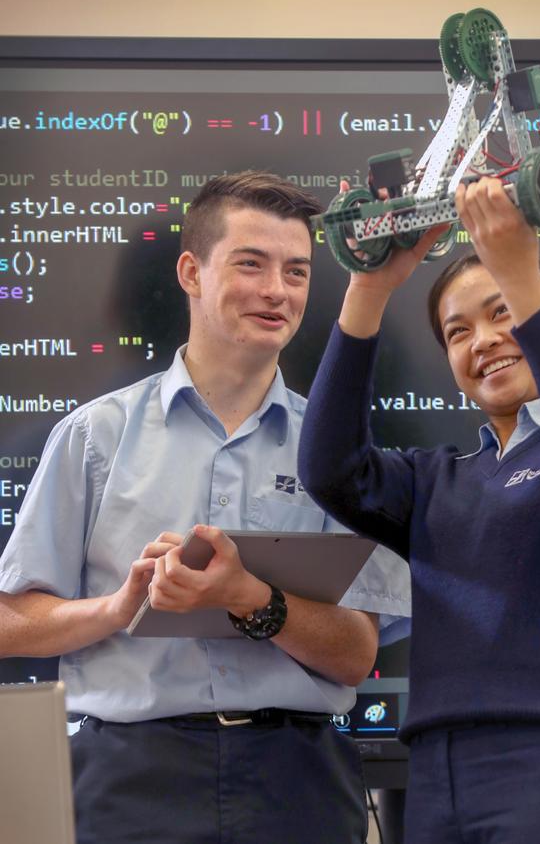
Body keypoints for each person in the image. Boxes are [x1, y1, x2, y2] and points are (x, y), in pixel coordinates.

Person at [0, 171, 411, 844]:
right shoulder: (93, 437)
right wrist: (118, 606)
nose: (277, 291)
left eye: (297, 272)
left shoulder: (339, 454)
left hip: (297, 781)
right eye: (252, 264)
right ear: (191, 271)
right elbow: (11, 622)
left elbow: (355, 653)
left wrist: (253, 598)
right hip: (129, 778)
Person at [298, 176, 540, 843]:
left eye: (501, 313)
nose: (482, 340)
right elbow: (328, 469)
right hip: (434, 777)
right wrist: (368, 288)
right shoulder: (439, 479)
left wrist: (520, 272)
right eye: (457, 332)